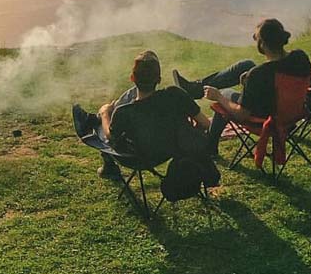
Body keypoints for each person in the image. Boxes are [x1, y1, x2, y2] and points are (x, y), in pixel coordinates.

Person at [175, 18, 311, 155]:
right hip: (293, 111)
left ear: (262, 44)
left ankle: (210, 144)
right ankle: (195, 89)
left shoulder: (258, 75)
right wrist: (252, 79)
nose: (254, 39)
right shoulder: (300, 57)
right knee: (247, 64)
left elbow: (241, 114)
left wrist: (219, 97)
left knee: (226, 93)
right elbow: (281, 74)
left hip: (267, 118)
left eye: (256, 37)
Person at [72, 50, 210, 179]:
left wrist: (104, 114)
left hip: (136, 158)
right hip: (169, 151)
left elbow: (111, 137)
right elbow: (205, 123)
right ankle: (95, 118)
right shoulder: (175, 95)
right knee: (130, 96)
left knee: (102, 125)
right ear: (159, 79)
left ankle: (109, 165)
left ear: (132, 78)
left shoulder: (124, 112)